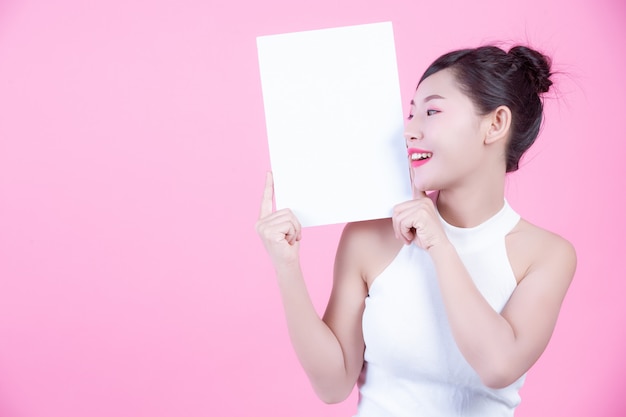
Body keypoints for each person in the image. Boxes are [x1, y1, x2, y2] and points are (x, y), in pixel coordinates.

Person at [255, 44, 576, 416]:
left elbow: (498, 365)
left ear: (496, 124)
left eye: (431, 111)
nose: (408, 131)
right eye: (410, 114)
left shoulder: (546, 255)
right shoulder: (368, 238)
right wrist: (286, 266)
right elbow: (332, 385)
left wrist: (439, 244)